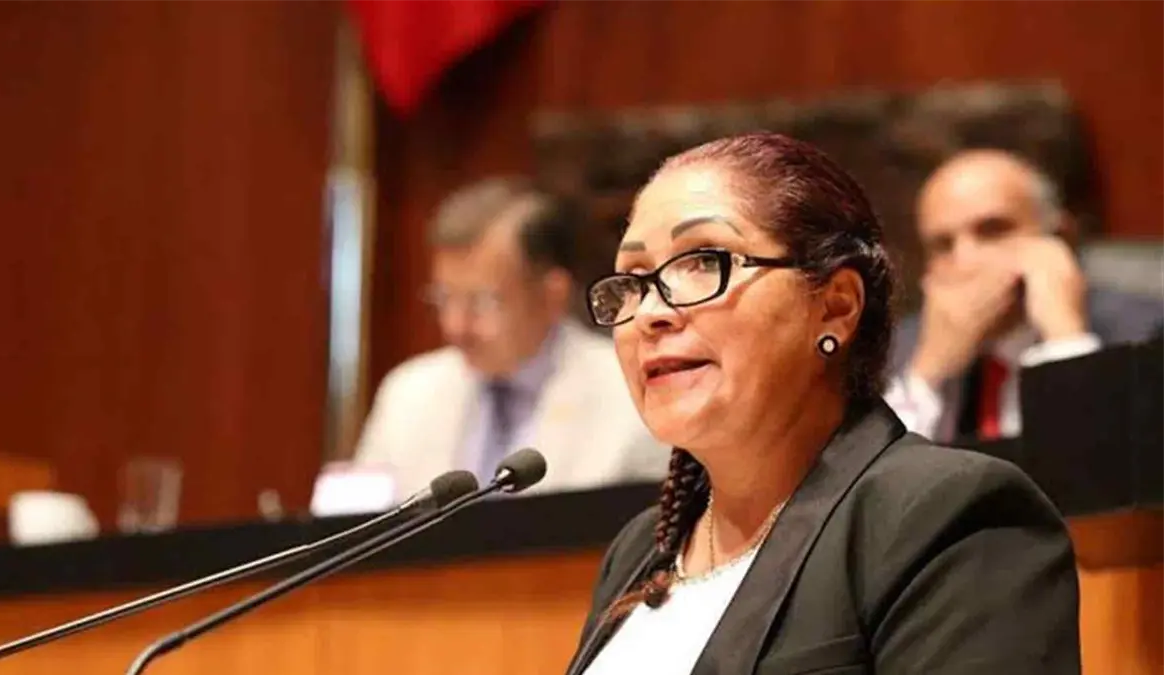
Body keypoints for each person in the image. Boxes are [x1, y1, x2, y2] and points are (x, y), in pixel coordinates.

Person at [566, 133, 1079, 674]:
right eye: (633, 280)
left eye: (703, 261)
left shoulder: (945, 516)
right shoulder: (640, 549)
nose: (650, 313)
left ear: (836, 307)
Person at [352, 177, 665, 499]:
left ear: (552, 296)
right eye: (444, 298)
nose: (455, 326)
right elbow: (358, 519)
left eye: (481, 302)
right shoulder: (407, 393)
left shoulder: (631, 394)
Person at [886, 149, 1164, 442]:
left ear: (1060, 238)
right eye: (943, 245)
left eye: (992, 230)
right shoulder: (897, 351)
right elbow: (879, 470)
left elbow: (1110, 463)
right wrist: (927, 375)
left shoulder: (1148, 334)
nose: (966, 261)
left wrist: (1066, 339)